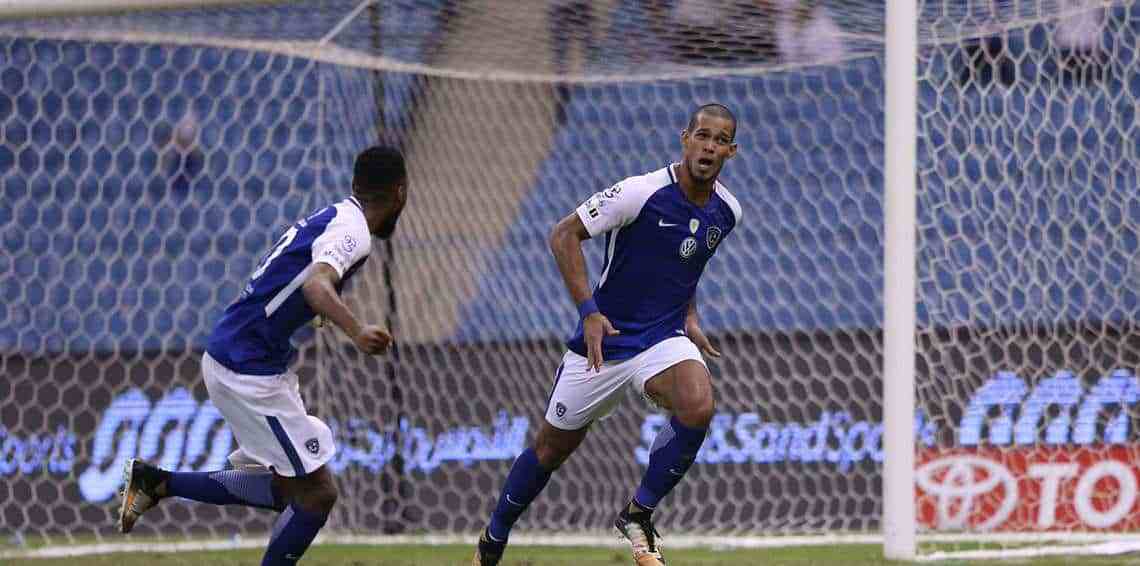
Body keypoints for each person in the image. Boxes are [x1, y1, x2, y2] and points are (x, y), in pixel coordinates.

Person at [473, 104, 742, 566]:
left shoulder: (728, 211)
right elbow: (563, 236)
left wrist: (690, 315)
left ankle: (639, 515)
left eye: (719, 140)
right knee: (549, 451)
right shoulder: (639, 193)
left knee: (698, 404)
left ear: (731, 151)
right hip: (601, 344)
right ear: (685, 138)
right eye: (702, 135)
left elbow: (687, 262)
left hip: (661, 340)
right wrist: (589, 312)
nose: (709, 146)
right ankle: (492, 541)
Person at [117, 146, 408, 565]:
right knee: (318, 494)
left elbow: (301, 285)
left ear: (355, 185)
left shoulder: (334, 216)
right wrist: (357, 331)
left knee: (288, 490)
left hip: (244, 359)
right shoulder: (355, 231)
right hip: (246, 368)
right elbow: (315, 286)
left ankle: (156, 482)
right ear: (400, 192)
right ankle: (157, 483)